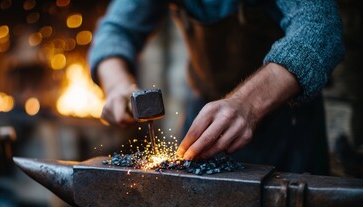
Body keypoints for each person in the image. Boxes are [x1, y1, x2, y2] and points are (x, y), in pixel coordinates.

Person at [89, 0, 344, 176]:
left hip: (287, 127)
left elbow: (320, 27)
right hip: (202, 118)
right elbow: (115, 31)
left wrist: (248, 104)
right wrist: (117, 85)